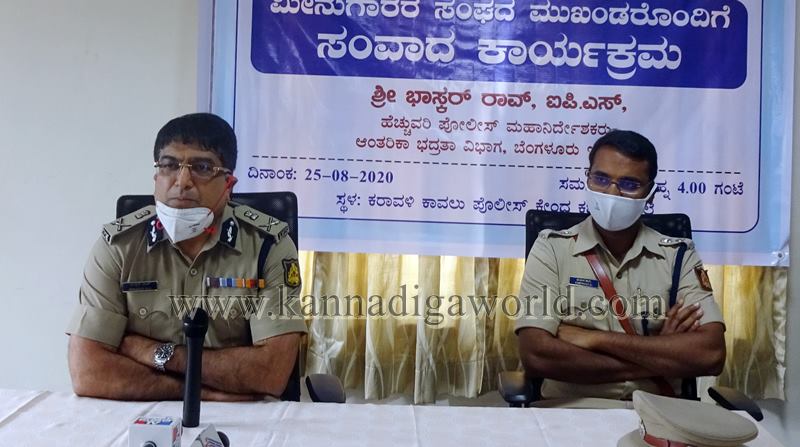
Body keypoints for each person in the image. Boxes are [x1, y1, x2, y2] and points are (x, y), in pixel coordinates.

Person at [66, 113, 306, 401]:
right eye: (169, 165)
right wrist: (196, 393)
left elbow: (271, 372)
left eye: (202, 167)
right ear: (156, 177)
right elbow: (88, 372)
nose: (182, 181)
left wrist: (152, 352)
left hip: (242, 416)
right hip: (144, 412)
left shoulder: (269, 246)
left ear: (229, 183)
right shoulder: (118, 245)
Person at [515, 129, 726, 401]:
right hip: (572, 411)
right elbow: (536, 355)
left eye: (629, 183)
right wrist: (661, 351)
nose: (612, 193)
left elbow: (710, 354)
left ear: (650, 193)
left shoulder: (679, 255)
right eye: (601, 179)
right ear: (587, 180)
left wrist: (595, 339)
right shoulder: (551, 248)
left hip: (660, 410)